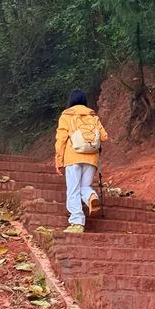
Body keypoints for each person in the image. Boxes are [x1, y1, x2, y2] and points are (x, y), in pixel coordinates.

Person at [55, 89, 108, 233]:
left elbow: (61, 140)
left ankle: (77, 222)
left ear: (71, 101)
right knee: (85, 186)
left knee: (73, 190)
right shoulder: (93, 115)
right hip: (91, 158)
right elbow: (104, 137)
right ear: (85, 101)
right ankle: (91, 196)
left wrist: (59, 160)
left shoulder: (66, 115)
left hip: (73, 157)